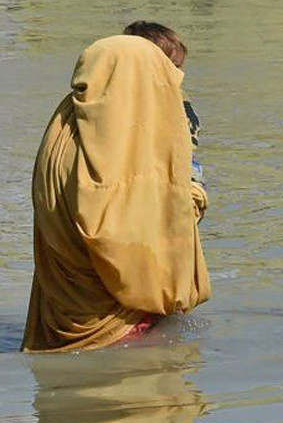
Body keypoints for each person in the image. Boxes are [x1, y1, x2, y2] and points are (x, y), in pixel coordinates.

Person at [22, 34, 210, 352]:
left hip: (60, 317)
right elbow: (125, 238)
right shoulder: (128, 146)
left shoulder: (63, 132)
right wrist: (192, 193)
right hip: (121, 329)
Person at [123, 21, 204, 187]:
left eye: (179, 66)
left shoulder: (178, 102)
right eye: (171, 66)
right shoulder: (122, 103)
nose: (179, 74)